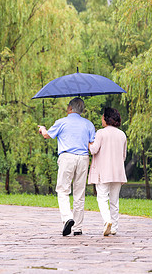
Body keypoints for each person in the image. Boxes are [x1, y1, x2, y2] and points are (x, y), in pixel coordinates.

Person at [38, 98, 95, 236]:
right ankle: (78, 228)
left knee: (63, 190)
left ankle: (67, 218)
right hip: (83, 158)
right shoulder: (89, 124)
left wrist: (42, 128)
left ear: (70, 108)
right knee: (79, 193)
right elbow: (92, 143)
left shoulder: (61, 122)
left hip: (67, 157)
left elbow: (47, 135)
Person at [88, 107, 127, 236]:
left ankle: (107, 221)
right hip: (118, 171)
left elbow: (94, 150)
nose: (101, 119)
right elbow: (124, 155)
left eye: (102, 117)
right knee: (114, 200)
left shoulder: (101, 133)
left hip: (103, 171)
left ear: (106, 118)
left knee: (102, 197)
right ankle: (114, 227)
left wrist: (88, 143)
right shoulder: (122, 134)